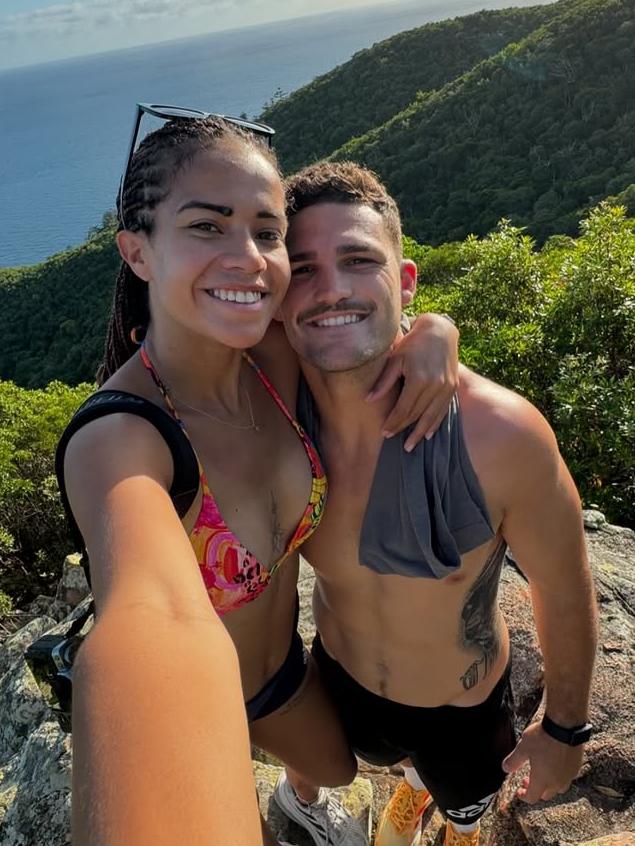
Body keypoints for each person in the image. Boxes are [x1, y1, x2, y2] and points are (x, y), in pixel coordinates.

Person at [58, 114, 460, 846]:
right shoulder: (120, 440)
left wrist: (432, 330)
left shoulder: (273, 359)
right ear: (137, 251)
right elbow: (153, 623)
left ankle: (300, 802)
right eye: (207, 228)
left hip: (282, 677)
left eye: (266, 232)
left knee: (338, 770)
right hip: (201, 700)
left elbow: (359, 320)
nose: (247, 258)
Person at [273, 162, 598, 846]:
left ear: (406, 279)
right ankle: (323, 802)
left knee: (464, 802)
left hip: (462, 706)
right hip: (338, 675)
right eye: (301, 268)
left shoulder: (497, 435)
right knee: (330, 767)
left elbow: (564, 587)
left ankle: (451, 818)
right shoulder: (269, 423)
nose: (330, 287)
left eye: (359, 259)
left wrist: (563, 728)